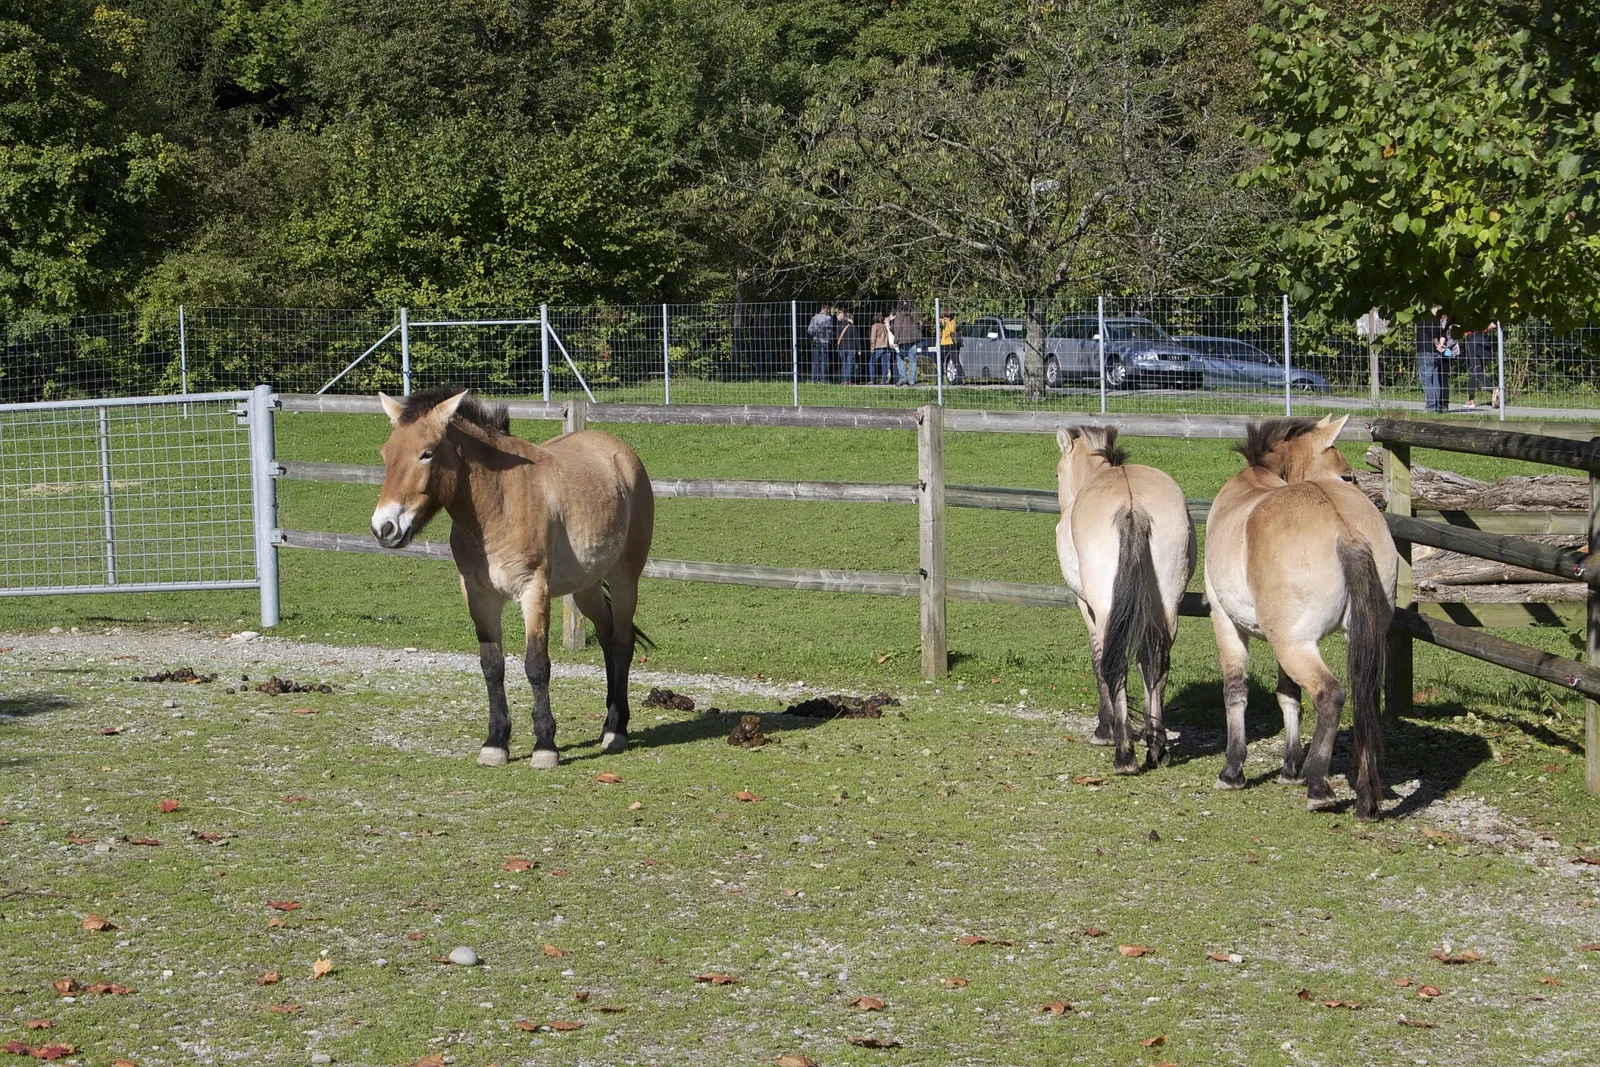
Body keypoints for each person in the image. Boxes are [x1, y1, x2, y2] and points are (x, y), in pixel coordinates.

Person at [1416, 304, 1453, 413]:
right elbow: (1442, 334)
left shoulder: (1426, 318)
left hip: (1426, 352)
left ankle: (1431, 407)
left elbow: (1432, 334)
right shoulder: (1436, 320)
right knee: (1435, 379)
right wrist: (1441, 345)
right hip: (1436, 354)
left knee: (1426, 380)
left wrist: (1437, 345)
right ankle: (1437, 406)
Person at [1461, 321, 1496, 409]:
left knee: (1476, 370)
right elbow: (1492, 325)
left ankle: (1493, 390)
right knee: (1472, 370)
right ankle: (1471, 400)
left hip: (1472, 339)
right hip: (1483, 339)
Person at [806, 305, 834, 383]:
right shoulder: (828, 318)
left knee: (815, 360)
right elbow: (830, 330)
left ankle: (814, 378)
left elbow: (809, 330)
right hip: (825, 341)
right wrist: (829, 338)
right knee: (824, 360)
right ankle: (824, 378)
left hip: (816, 341)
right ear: (828, 310)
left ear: (821, 309)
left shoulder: (814, 317)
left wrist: (815, 336)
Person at [835, 306, 859, 384]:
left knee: (844, 364)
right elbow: (856, 339)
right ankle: (847, 380)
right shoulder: (853, 327)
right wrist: (859, 349)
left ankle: (843, 380)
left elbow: (837, 336)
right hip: (851, 348)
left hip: (841, 348)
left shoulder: (839, 326)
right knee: (850, 364)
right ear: (850, 319)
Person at [868, 312, 894, 384]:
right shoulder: (884, 326)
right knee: (884, 364)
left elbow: (873, 338)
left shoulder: (874, 326)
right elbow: (887, 336)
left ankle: (872, 380)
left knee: (871, 364)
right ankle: (883, 381)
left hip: (878, 347)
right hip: (885, 346)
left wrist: (872, 348)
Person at [938, 309, 962, 383]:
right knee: (940, 361)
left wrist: (947, 322)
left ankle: (961, 377)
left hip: (951, 343)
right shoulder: (941, 321)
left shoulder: (952, 321)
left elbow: (952, 330)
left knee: (955, 361)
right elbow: (939, 333)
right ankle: (940, 379)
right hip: (943, 343)